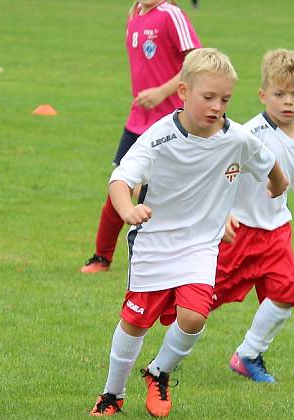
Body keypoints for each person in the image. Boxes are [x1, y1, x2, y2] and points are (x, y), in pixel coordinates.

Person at [90, 48, 288, 418]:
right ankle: (112, 395)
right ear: (183, 92)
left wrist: (278, 184)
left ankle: (158, 372)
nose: (217, 106)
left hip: (200, 245)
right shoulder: (159, 137)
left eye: (225, 99)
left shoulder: (236, 138)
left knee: (195, 316)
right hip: (153, 241)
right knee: (135, 322)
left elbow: (268, 162)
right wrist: (128, 209)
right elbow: (120, 180)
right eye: (208, 97)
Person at [213, 49, 294, 383]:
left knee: (285, 295)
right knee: (203, 300)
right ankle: (163, 351)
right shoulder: (248, 135)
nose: (287, 102)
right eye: (279, 94)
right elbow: (220, 174)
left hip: (277, 231)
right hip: (238, 230)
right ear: (263, 95)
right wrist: (222, 215)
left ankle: (248, 354)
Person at [81, 0, 201, 273]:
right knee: (119, 182)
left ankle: (183, 253)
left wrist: (162, 91)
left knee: (167, 192)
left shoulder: (172, 15)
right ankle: (102, 257)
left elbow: (197, 62)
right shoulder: (135, 12)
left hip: (171, 121)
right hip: (138, 119)